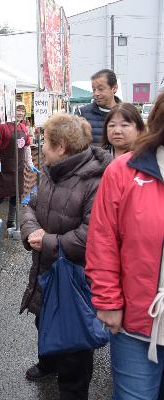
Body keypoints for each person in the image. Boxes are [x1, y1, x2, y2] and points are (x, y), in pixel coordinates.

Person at [20, 113, 111, 399]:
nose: (41, 148)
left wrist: (49, 241)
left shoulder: (95, 181)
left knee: (73, 339)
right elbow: (30, 206)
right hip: (46, 268)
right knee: (43, 318)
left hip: (76, 277)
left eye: (45, 142)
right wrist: (31, 232)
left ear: (61, 147)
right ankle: (48, 362)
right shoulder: (50, 170)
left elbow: (91, 234)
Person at [85, 92, 164, 399]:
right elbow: (102, 238)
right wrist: (107, 301)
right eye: (112, 125)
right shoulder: (122, 171)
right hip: (136, 322)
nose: (116, 130)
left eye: (124, 124)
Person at [0, 102, 39, 229]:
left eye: (22, 110)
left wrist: (30, 163)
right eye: (17, 110)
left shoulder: (23, 128)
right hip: (5, 168)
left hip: (19, 168)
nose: (20, 113)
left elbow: (27, 147)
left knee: (16, 196)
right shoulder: (3, 127)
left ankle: (11, 221)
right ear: (11, 111)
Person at [76, 69, 121, 144]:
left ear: (114, 88)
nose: (96, 93)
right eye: (94, 90)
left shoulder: (127, 114)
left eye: (101, 89)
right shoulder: (82, 114)